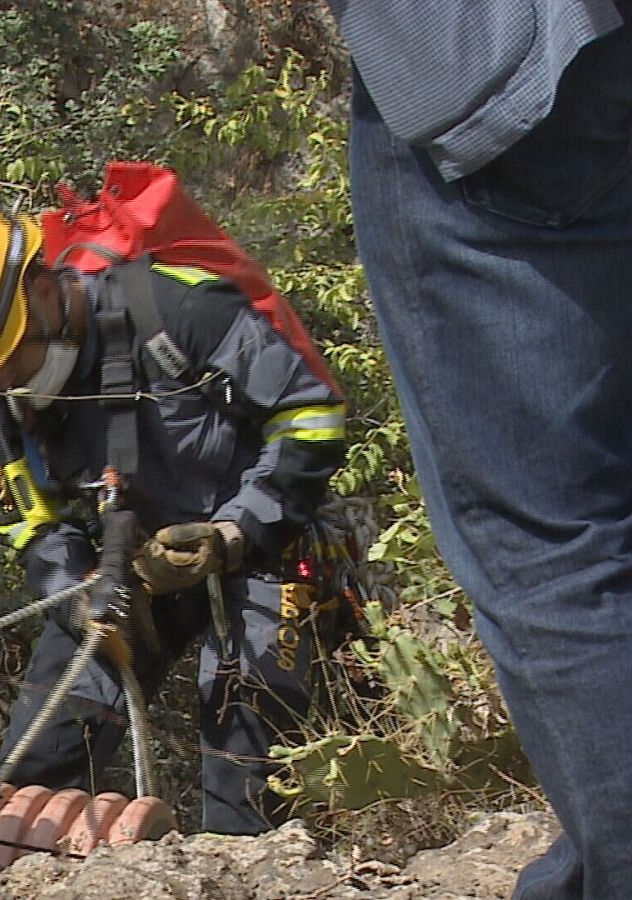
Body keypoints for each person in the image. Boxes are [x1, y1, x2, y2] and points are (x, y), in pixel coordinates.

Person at [0, 202, 346, 834]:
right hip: (131, 572)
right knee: (33, 777)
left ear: (43, 290)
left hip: (262, 554)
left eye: (14, 354)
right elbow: (37, 522)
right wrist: (76, 594)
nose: (8, 377)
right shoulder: (7, 395)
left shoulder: (176, 309)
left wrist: (235, 533)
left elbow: (312, 417)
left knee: (246, 776)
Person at [328, 3, 632, 896]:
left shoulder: (174, 309)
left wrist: (239, 527)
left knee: (549, 548)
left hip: (507, 72)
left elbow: (292, 418)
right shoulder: (25, 404)